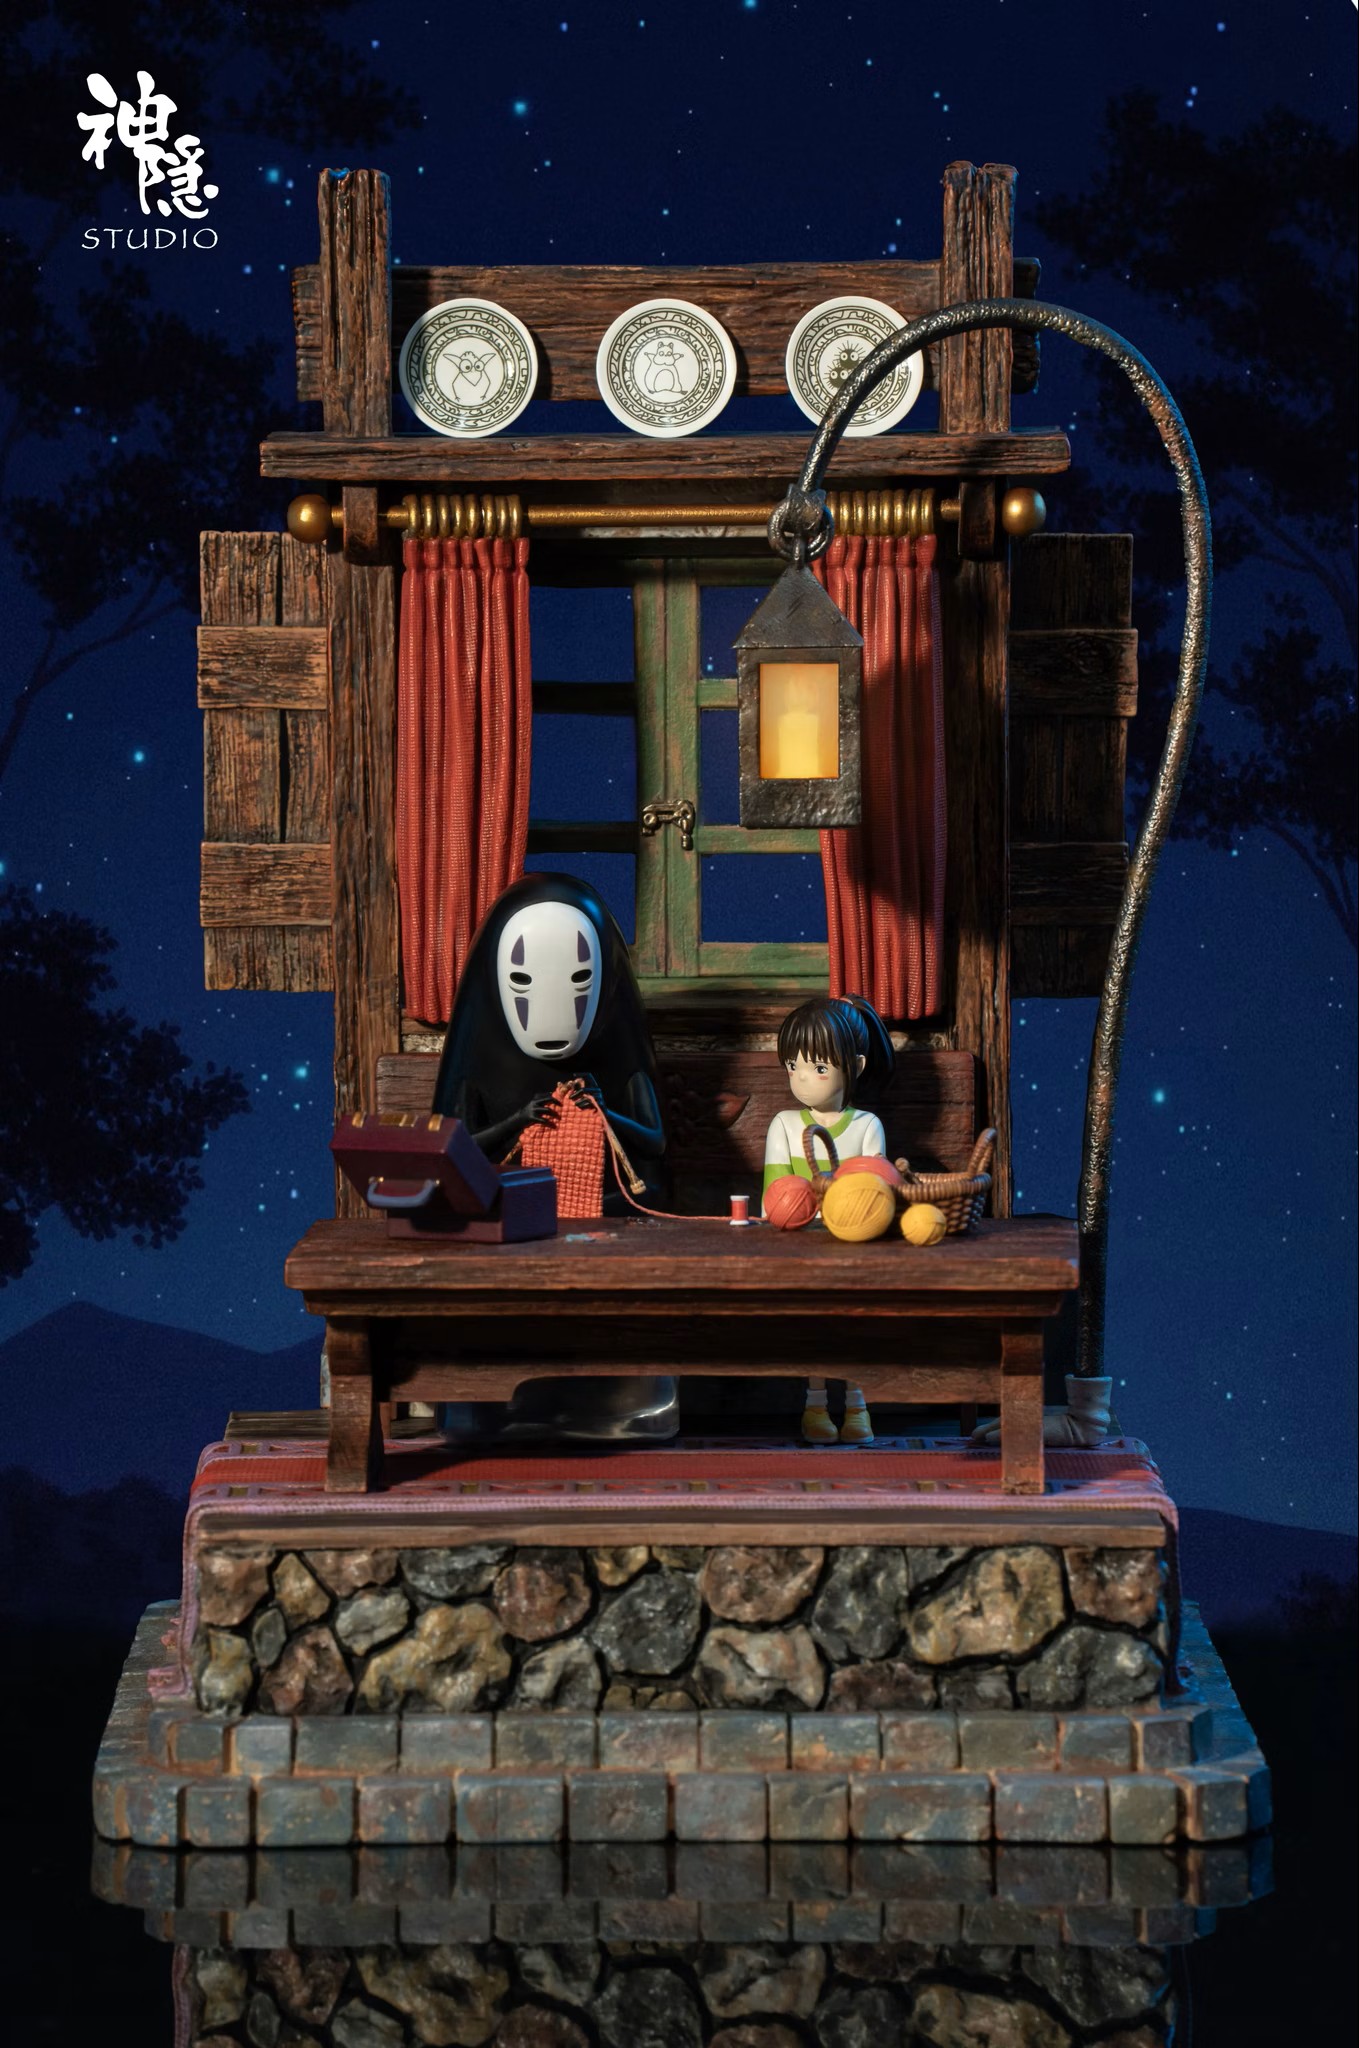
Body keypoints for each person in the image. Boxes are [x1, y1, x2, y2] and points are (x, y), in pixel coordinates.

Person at [763, 994, 894, 1446]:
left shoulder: (866, 1126)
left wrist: (840, 1208)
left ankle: (858, 1404)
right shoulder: (783, 1124)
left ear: (854, 1067)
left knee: (858, 1321)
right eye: (793, 1066)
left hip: (854, 1249)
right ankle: (815, 1404)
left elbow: (875, 1198)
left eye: (818, 1068)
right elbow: (773, 1200)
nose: (802, 1078)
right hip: (801, 1249)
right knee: (816, 1323)